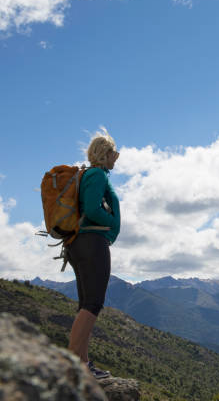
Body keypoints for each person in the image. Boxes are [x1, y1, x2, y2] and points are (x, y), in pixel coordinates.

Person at [66, 130, 121, 379]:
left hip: (78, 244)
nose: (117, 158)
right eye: (115, 153)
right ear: (105, 154)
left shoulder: (88, 175)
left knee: (86, 304)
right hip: (92, 243)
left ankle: (83, 364)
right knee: (93, 303)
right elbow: (91, 208)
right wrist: (111, 221)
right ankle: (72, 366)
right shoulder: (97, 174)